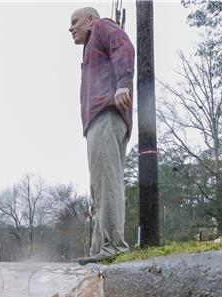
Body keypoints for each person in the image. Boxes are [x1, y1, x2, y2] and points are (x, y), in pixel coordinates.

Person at [69, 7, 134, 265]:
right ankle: (100, 248)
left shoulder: (103, 27)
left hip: (106, 113)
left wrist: (123, 84)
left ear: (91, 20)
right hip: (97, 120)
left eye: (75, 22)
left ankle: (113, 247)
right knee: (99, 186)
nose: (70, 28)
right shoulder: (88, 49)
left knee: (107, 181)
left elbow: (124, 46)